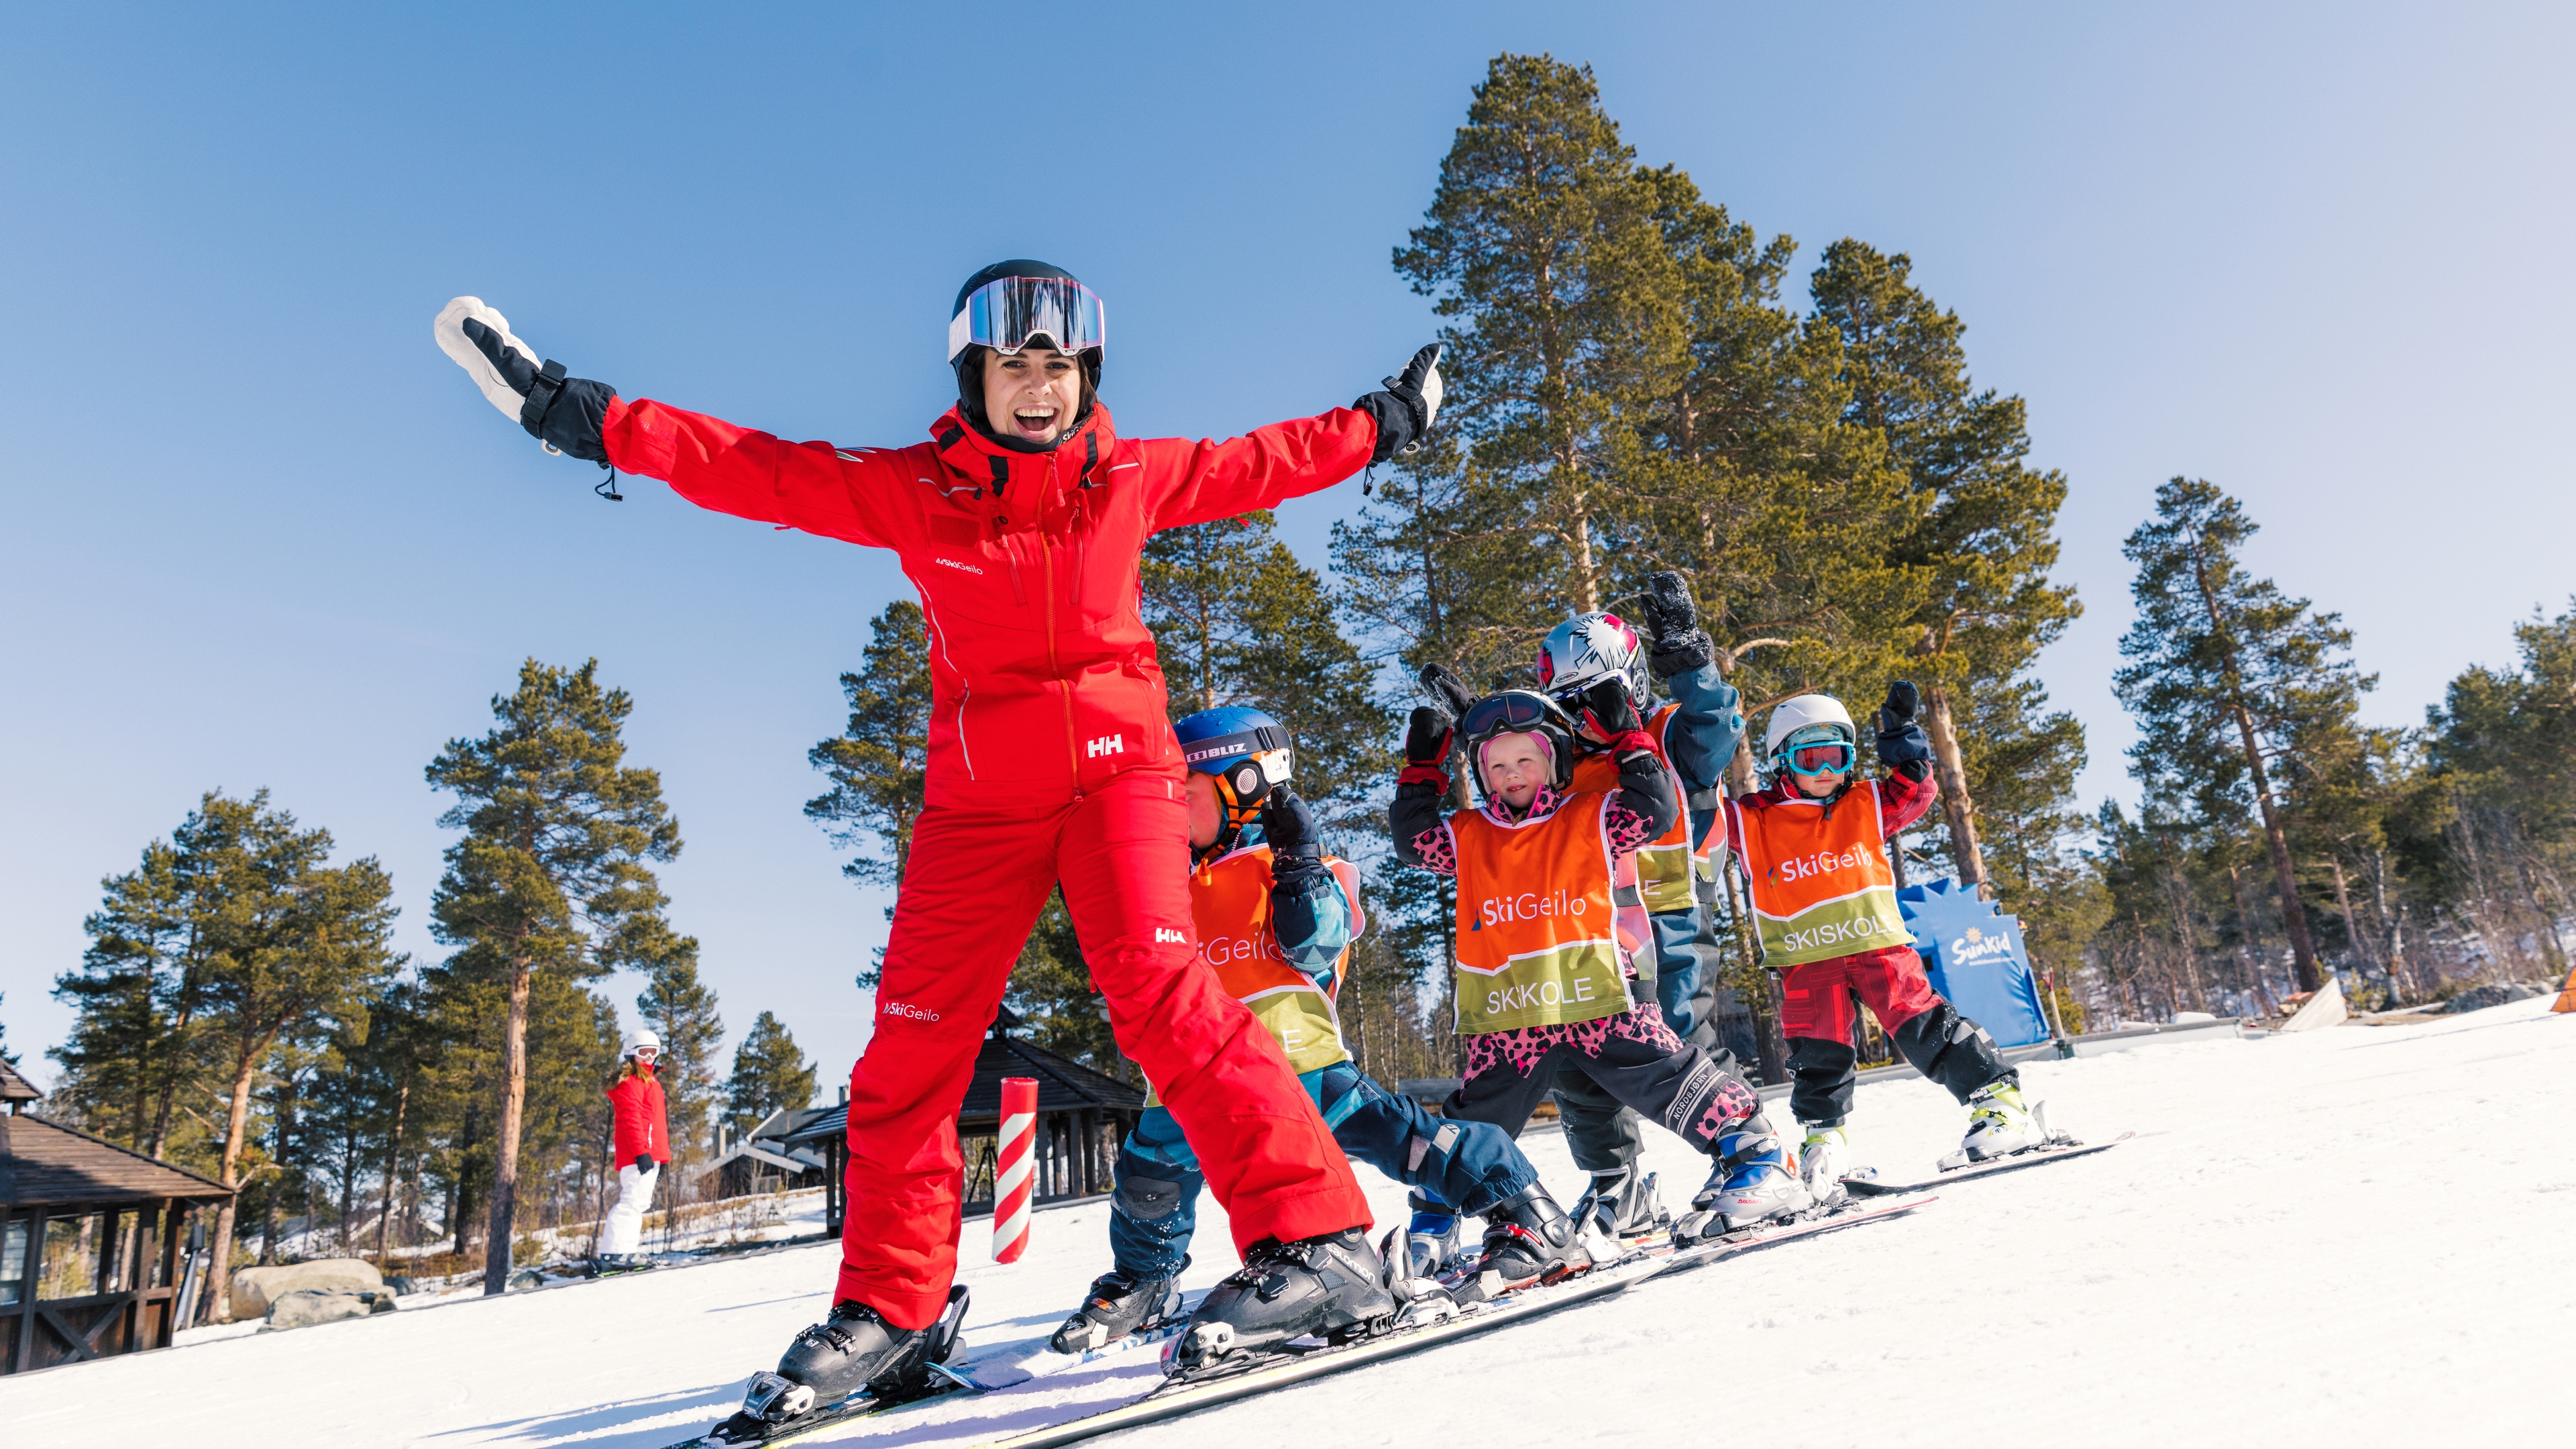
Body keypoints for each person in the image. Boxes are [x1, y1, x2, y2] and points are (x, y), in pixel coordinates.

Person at [433, 264, 1442, 1408]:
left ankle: (1321, 1245)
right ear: (975, 375)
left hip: (1121, 777)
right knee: (910, 1049)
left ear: (1085, 375)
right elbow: (755, 469)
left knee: (1162, 991)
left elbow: (1266, 460)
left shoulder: (1130, 478)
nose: (1037, 387)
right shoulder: (919, 490)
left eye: (1057, 364)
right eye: (1014, 364)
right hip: (980, 804)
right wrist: (583, 415)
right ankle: (893, 1310)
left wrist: (1386, 422)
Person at [1053, 708, 1568, 1352]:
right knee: (1147, 1178)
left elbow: (1319, 941)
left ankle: (1527, 1214)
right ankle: (1144, 1278)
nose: (1166, 814)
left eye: (1180, 795)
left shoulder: (1300, 867)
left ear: (1244, 787)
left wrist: (1297, 864)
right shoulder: (1168, 885)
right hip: (1189, 1077)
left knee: (1409, 1143)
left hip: (1300, 1067)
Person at [1391, 683, 1799, 1246]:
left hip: (1602, 996)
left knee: (1666, 1075)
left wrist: (1628, 738)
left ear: (1554, 759)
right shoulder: (1466, 834)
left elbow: (1654, 808)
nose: (1512, 773)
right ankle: (1432, 1226)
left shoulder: (1596, 813)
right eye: (1497, 764)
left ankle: (1758, 1153)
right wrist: (1421, 771)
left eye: (1525, 758)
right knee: (1474, 1122)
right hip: (1510, 1018)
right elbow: (1413, 841)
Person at [1724, 684, 2042, 1199]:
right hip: (1806, 961)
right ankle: (1825, 1141)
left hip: (1877, 948)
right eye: (1812, 758)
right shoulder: (1752, 817)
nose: (1827, 770)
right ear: (1782, 760)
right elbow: (1701, 820)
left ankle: (1999, 1103)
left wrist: (1903, 743)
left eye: (1838, 756)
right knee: (1817, 1054)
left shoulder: (1864, 801)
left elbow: (1914, 790)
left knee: (1924, 1028)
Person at [1527, 580, 1750, 1243]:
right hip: (1591, 932)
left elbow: (1717, 726)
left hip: (1669, 913)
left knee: (1679, 1036)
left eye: (1599, 698)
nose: (1586, 717)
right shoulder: (1561, 763)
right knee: (1577, 1056)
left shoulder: (1667, 733)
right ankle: (1617, 1188)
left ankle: (1748, 1153)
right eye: (1570, 704)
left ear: (1629, 686)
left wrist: (1690, 660)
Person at [599, 1029, 669, 1271]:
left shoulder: (649, 1081)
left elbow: (654, 1122)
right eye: (643, 1052)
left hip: (649, 1152)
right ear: (631, 1054)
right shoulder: (631, 1083)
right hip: (639, 1153)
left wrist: (661, 1157)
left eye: (654, 1052)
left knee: (639, 1201)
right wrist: (642, 1152)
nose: (649, 1057)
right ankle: (615, 1253)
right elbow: (631, 1120)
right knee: (632, 1201)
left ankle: (625, 1251)